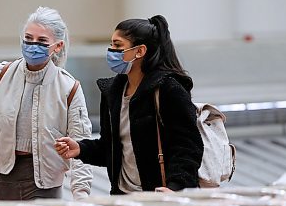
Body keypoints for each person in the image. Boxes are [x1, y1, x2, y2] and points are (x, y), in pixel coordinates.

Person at [55, 15, 204, 195]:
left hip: (160, 196)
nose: (111, 50)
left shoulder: (167, 90)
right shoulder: (112, 92)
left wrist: (176, 187)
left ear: (140, 51)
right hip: (123, 196)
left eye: (118, 45)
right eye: (111, 44)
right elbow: (110, 148)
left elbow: (188, 147)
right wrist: (81, 149)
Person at [0, 6, 93, 203]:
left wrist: (80, 194)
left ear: (58, 46)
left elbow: (80, 143)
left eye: (42, 41)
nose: (33, 45)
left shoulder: (69, 87)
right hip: (5, 177)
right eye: (28, 38)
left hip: (47, 184)